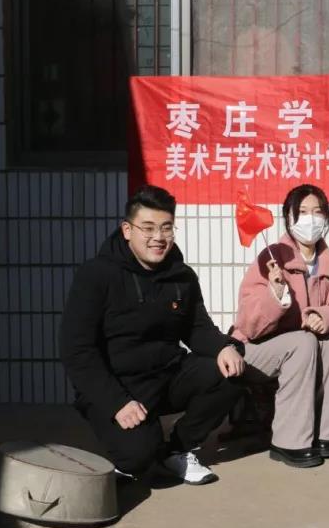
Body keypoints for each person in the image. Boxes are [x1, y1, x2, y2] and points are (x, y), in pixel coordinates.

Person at [60, 185, 245, 485]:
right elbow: (76, 350)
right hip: (118, 385)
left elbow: (196, 327)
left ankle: (179, 449)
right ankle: (137, 447)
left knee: (231, 372)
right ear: (127, 230)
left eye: (166, 228)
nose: (158, 237)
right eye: (147, 228)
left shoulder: (182, 276)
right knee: (140, 459)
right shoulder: (96, 275)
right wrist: (116, 402)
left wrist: (224, 347)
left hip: (167, 375)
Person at [233, 184, 329, 469]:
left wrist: (324, 317)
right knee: (304, 341)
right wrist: (274, 294)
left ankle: (324, 435)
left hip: (303, 349)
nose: (310, 219)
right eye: (302, 212)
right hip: (257, 349)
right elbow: (248, 326)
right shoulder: (271, 258)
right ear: (288, 217)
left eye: (317, 212)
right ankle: (288, 441)